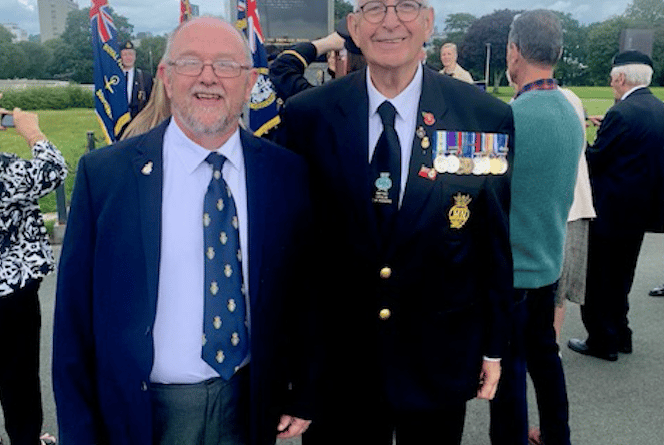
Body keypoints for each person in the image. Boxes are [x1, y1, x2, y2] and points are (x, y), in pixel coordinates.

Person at [53, 17, 314, 445]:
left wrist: (302, 390)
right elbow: (73, 322)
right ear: (166, 78)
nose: (208, 77)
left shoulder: (284, 173)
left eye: (227, 65)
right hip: (141, 413)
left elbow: (304, 293)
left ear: (249, 83)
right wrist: (78, 433)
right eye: (191, 62)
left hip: (246, 404)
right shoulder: (106, 175)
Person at [277, 0, 515, 443]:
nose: (390, 21)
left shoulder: (481, 115)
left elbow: (491, 243)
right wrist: (294, 366)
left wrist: (494, 346)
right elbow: (298, 255)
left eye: (405, 6)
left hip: (437, 357)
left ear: (428, 21)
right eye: (374, 8)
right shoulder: (310, 115)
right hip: (339, 366)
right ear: (353, 27)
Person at [489, 10, 583, 445]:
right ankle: (556, 435)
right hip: (548, 261)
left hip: (512, 269)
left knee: (507, 371)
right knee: (546, 359)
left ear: (513, 50)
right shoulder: (570, 110)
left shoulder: (512, 117)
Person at [568, 50, 664, 361]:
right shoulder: (657, 110)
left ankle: (601, 341)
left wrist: (581, 138)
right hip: (639, 211)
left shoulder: (621, 114)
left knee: (597, 280)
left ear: (620, 78)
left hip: (609, 210)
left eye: (612, 80)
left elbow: (595, 160)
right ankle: (621, 333)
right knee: (622, 275)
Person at [0, 107, 67, 445]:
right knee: (19, 376)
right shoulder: (6, 170)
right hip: (10, 291)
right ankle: (26, 439)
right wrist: (33, 133)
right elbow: (54, 170)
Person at [121, 40, 154, 122]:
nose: (128, 57)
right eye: (125, 55)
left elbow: (151, 103)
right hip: (118, 124)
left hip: (139, 123)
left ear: (135, 56)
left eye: (131, 54)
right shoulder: (114, 78)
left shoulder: (145, 78)